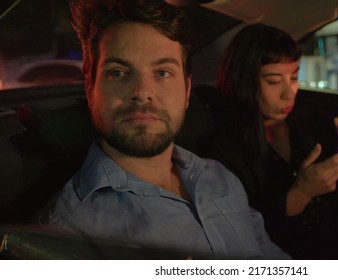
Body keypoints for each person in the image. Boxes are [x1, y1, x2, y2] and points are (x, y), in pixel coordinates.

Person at [36, 0, 290, 260]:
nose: (143, 93)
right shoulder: (65, 231)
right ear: (90, 88)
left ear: (187, 90)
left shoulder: (221, 178)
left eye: (162, 73)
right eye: (118, 73)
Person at [204, 23, 338, 259]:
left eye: (294, 77)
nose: (289, 93)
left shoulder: (310, 119)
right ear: (244, 79)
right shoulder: (225, 148)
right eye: (273, 81)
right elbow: (246, 239)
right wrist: (300, 194)